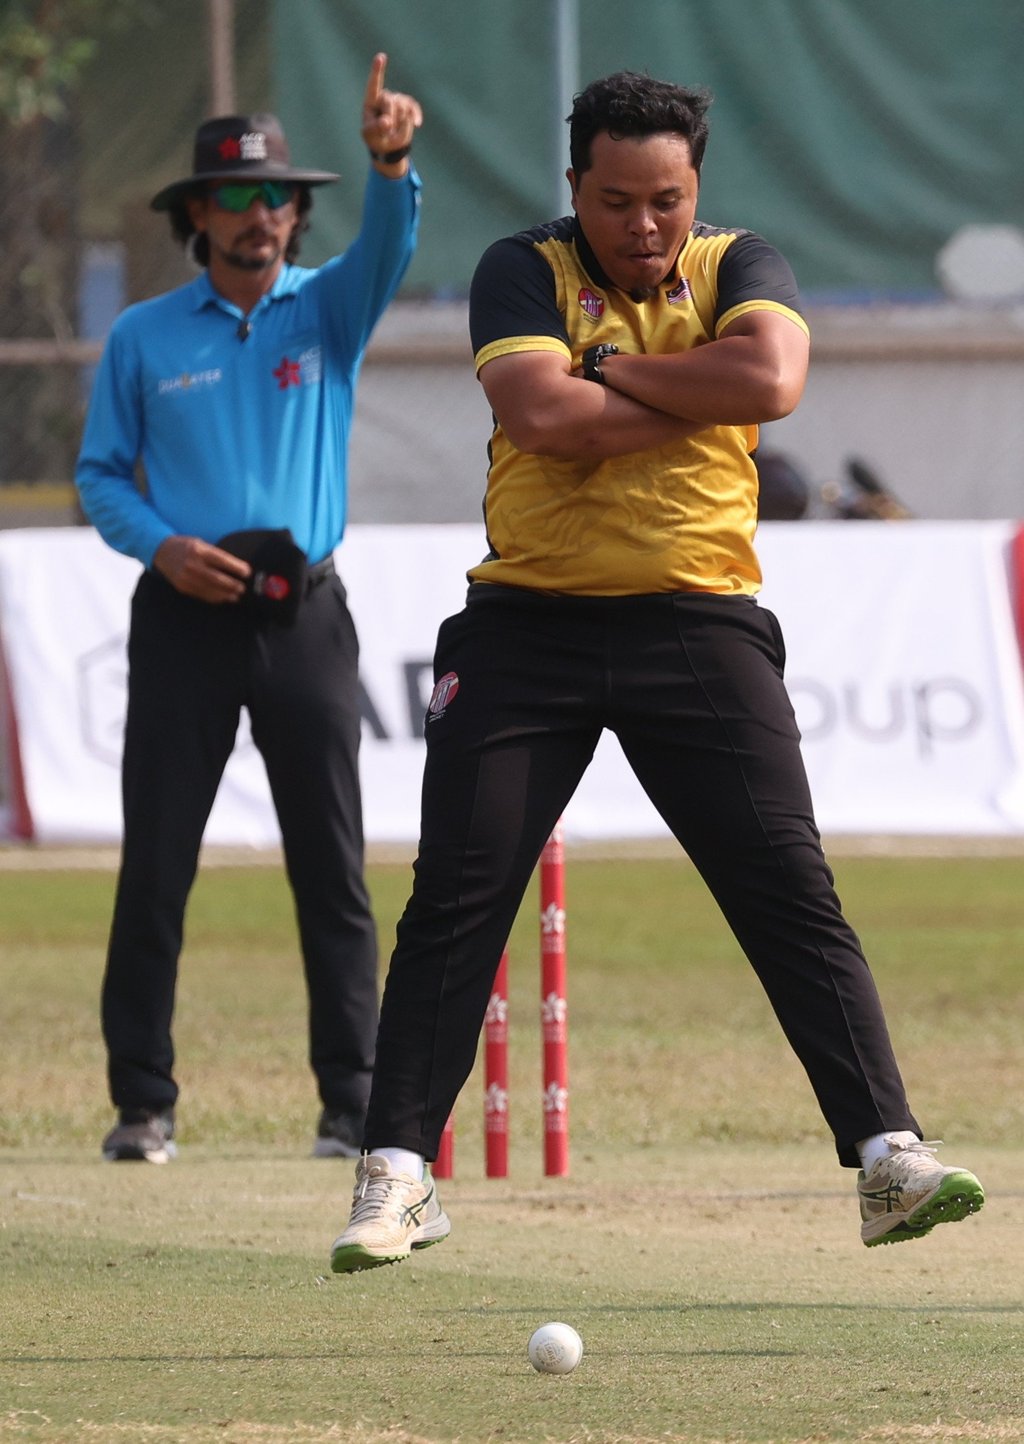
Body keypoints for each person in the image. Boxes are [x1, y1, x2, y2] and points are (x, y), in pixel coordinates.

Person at [328, 71, 984, 1270]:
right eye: (618, 200)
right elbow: (542, 421)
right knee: (459, 899)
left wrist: (611, 372)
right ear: (574, 187)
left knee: (787, 886)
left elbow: (772, 384)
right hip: (527, 621)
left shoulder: (743, 263)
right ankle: (398, 1176)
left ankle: (888, 1155)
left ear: (697, 192)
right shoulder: (521, 267)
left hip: (699, 620)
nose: (644, 228)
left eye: (666, 202)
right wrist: (691, 392)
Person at [75, 55, 423, 1164]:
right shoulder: (143, 336)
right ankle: (143, 1102)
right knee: (159, 859)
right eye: (237, 196)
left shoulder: (326, 311)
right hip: (181, 615)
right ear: (198, 215)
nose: (262, 214)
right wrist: (162, 547)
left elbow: (388, 249)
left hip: (305, 617)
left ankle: (352, 1100)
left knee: (331, 860)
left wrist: (391, 163)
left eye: (278, 196)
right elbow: (100, 476)